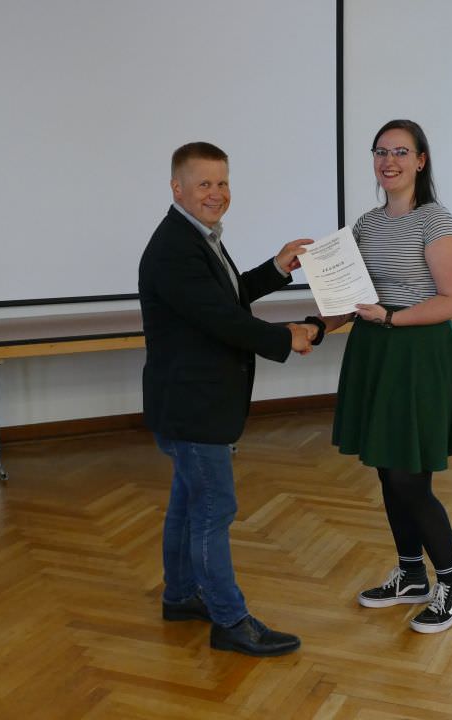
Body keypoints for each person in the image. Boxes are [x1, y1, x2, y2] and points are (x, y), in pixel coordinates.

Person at [139, 141, 316, 657]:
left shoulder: (197, 235)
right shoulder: (175, 247)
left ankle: (180, 596)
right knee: (214, 509)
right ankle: (230, 620)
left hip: (190, 402)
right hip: (193, 407)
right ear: (177, 188)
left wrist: (277, 268)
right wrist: (287, 337)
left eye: (222, 183)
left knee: (188, 501)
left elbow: (226, 296)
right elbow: (222, 320)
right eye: (204, 184)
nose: (216, 193)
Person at [315, 120, 452, 633]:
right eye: (381, 152)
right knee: (388, 470)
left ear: (421, 161)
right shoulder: (366, 224)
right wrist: (313, 326)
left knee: (409, 476)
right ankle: (411, 574)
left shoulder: (435, 220)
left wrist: (391, 317)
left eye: (401, 152)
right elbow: (349, 298)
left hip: (419, 353)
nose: (389, 161)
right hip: (377, 351)